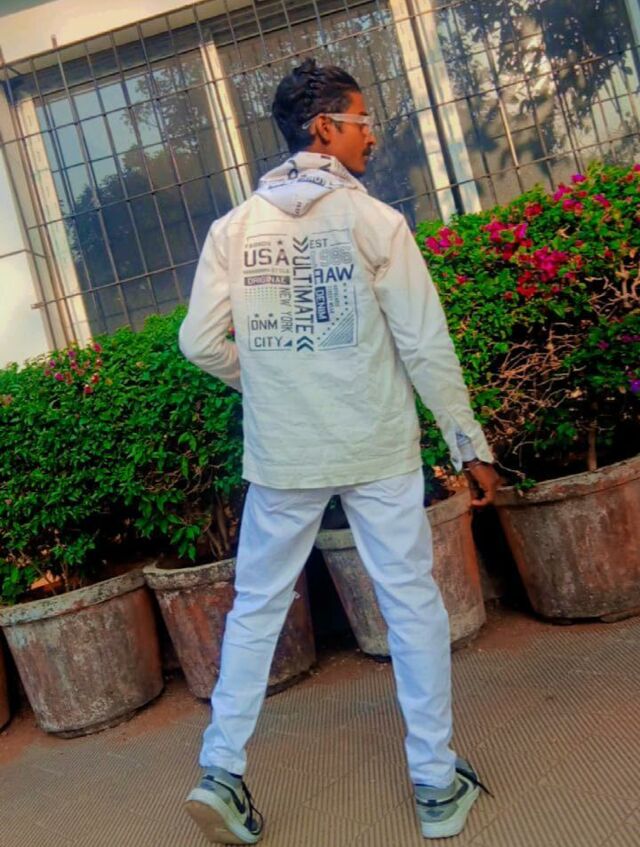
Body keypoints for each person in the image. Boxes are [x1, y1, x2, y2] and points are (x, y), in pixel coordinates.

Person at [179, 57, 501, 845]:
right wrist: (468, 441)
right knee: (410, 601)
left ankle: (220, 768)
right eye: (361, 121)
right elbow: (425, 346)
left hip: (283, 452)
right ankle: (435, 783)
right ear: (324, 128)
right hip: (375, 442)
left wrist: (268, 377)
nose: (371, 135)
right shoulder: (375, 223)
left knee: (257, 605)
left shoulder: (233, 230)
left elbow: (198, 343)